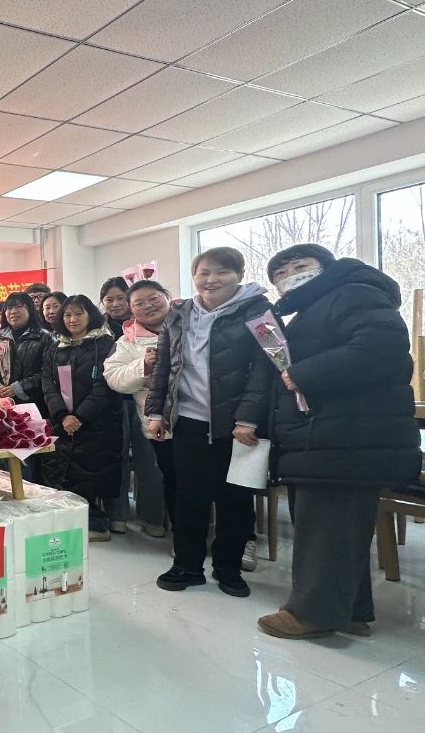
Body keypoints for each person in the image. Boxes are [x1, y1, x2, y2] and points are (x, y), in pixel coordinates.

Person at [257, 246, 419, 639]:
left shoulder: (354, 292)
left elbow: (382, 350)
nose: (291, 275)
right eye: (281, 272)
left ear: (326, 268)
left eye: (301, 266)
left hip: (346, 434)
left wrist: (303, 374)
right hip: (327, 434)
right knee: (336, 528)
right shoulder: (314, 306)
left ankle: (312, 614)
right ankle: (349, 611)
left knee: (327, 525)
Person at [145, 247, 272, 598]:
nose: (211, 279)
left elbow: (266, 368)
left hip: (237, 426)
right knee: (188, 497)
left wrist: (248, 417)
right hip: (189, 421)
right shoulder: (179, 313)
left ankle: (228, 569)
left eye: (221, 272)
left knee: (235, 500)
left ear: (239, 275)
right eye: (203, 272)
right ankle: (187, 565)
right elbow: (164, 365)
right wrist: (156, 412)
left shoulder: (259, 310)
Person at [41, 295, 122, 538]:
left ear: (90, 315)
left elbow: (104, 386)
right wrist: (62, 414)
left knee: (91, 471)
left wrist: (79, 416)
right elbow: (47, 382)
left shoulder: (104, 344)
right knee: (62, 469)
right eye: (67, 315)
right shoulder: (56, 346)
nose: (72, 319)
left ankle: (96, 523)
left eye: (78, 313)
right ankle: (70, 522)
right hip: (62, 421)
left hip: (96, 422)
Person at [103, 280, 175, 539]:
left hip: (194, 418)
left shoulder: (191, 326)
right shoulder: (127, 339)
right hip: (148, 414)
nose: (148, 306)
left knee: (176, 476)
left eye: (153, 299)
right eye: (139, 303)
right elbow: (113, 376)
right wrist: (143, 366)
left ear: (167, 297)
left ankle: (165, 523)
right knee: (151, 467)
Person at [99, 276, 147, 535]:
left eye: (120, 298)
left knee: (147, 458)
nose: (115, 304)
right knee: (116, 457)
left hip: (144, 398)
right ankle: (117, 514)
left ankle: (151, 517)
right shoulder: (98, 329)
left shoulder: (145, 326)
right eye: (109, 299)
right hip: (111, 400)